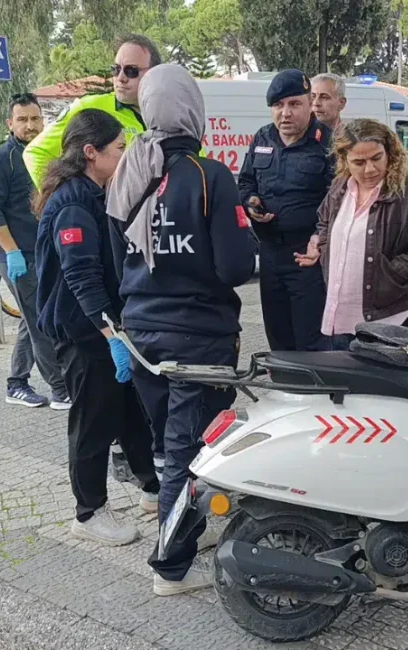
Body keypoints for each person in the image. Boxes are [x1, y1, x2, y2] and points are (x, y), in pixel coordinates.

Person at [107, 64, 257, 597]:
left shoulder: (128, 173)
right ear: (193, 109)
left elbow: (117, 260)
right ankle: (171, 566)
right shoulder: (210, 176)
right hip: (197, 335)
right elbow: (235, 267)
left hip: (141, 334)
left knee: (168, 445)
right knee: (188, 452)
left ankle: (183, 528)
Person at [32, 109, 161, 545]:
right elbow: (81, 276)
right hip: (83, 336)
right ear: (91, 152)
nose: (125, 155)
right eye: (119, 148)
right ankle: (88, 513)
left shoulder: (97, 193)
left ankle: (152, 488)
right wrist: (111, 336)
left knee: (130, 414)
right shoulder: (72, 203)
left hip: (104, 330)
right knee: (93, 424)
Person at [298, 119, 408, 349]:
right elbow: (324, 221)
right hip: (342, 315)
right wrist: (321, 244)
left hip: (393, 316)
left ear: (389, 153)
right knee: (346, 372)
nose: (370, 169)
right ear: (344, 160)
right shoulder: (340, 187)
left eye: (376, 158)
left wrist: (398, 272)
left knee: (386, 373)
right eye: (359, 162)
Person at [0, 93, 70, 410]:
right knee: (41, 321)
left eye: (35, 118)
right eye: (22, 119)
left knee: (31, 319)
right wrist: (12, 252)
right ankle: (61, 390)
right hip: (18, 256)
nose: (30, 125)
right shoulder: (0, 161)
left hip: (44, 253)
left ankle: (16, 383)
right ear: (10, 123)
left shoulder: (48, 153)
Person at [238, 69, 334, 352]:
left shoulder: (327, 143)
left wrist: (320, 237)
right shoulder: (263, 138)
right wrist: (251, 202)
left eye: (294, 104)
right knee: (278, 338)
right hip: (270, 254)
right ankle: (282, 379)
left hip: (308, 257)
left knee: (311, 341)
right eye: (278, 105)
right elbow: (246, 182)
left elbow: (338, 199)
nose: (285, 113)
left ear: (309, 103)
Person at [24, 33, 160, 190]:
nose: (120, 78)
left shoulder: (169, 113)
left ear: (154, 73)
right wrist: (63, 197)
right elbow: (36, 153)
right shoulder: (89, 106)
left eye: (131, 71)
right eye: (116, 69)